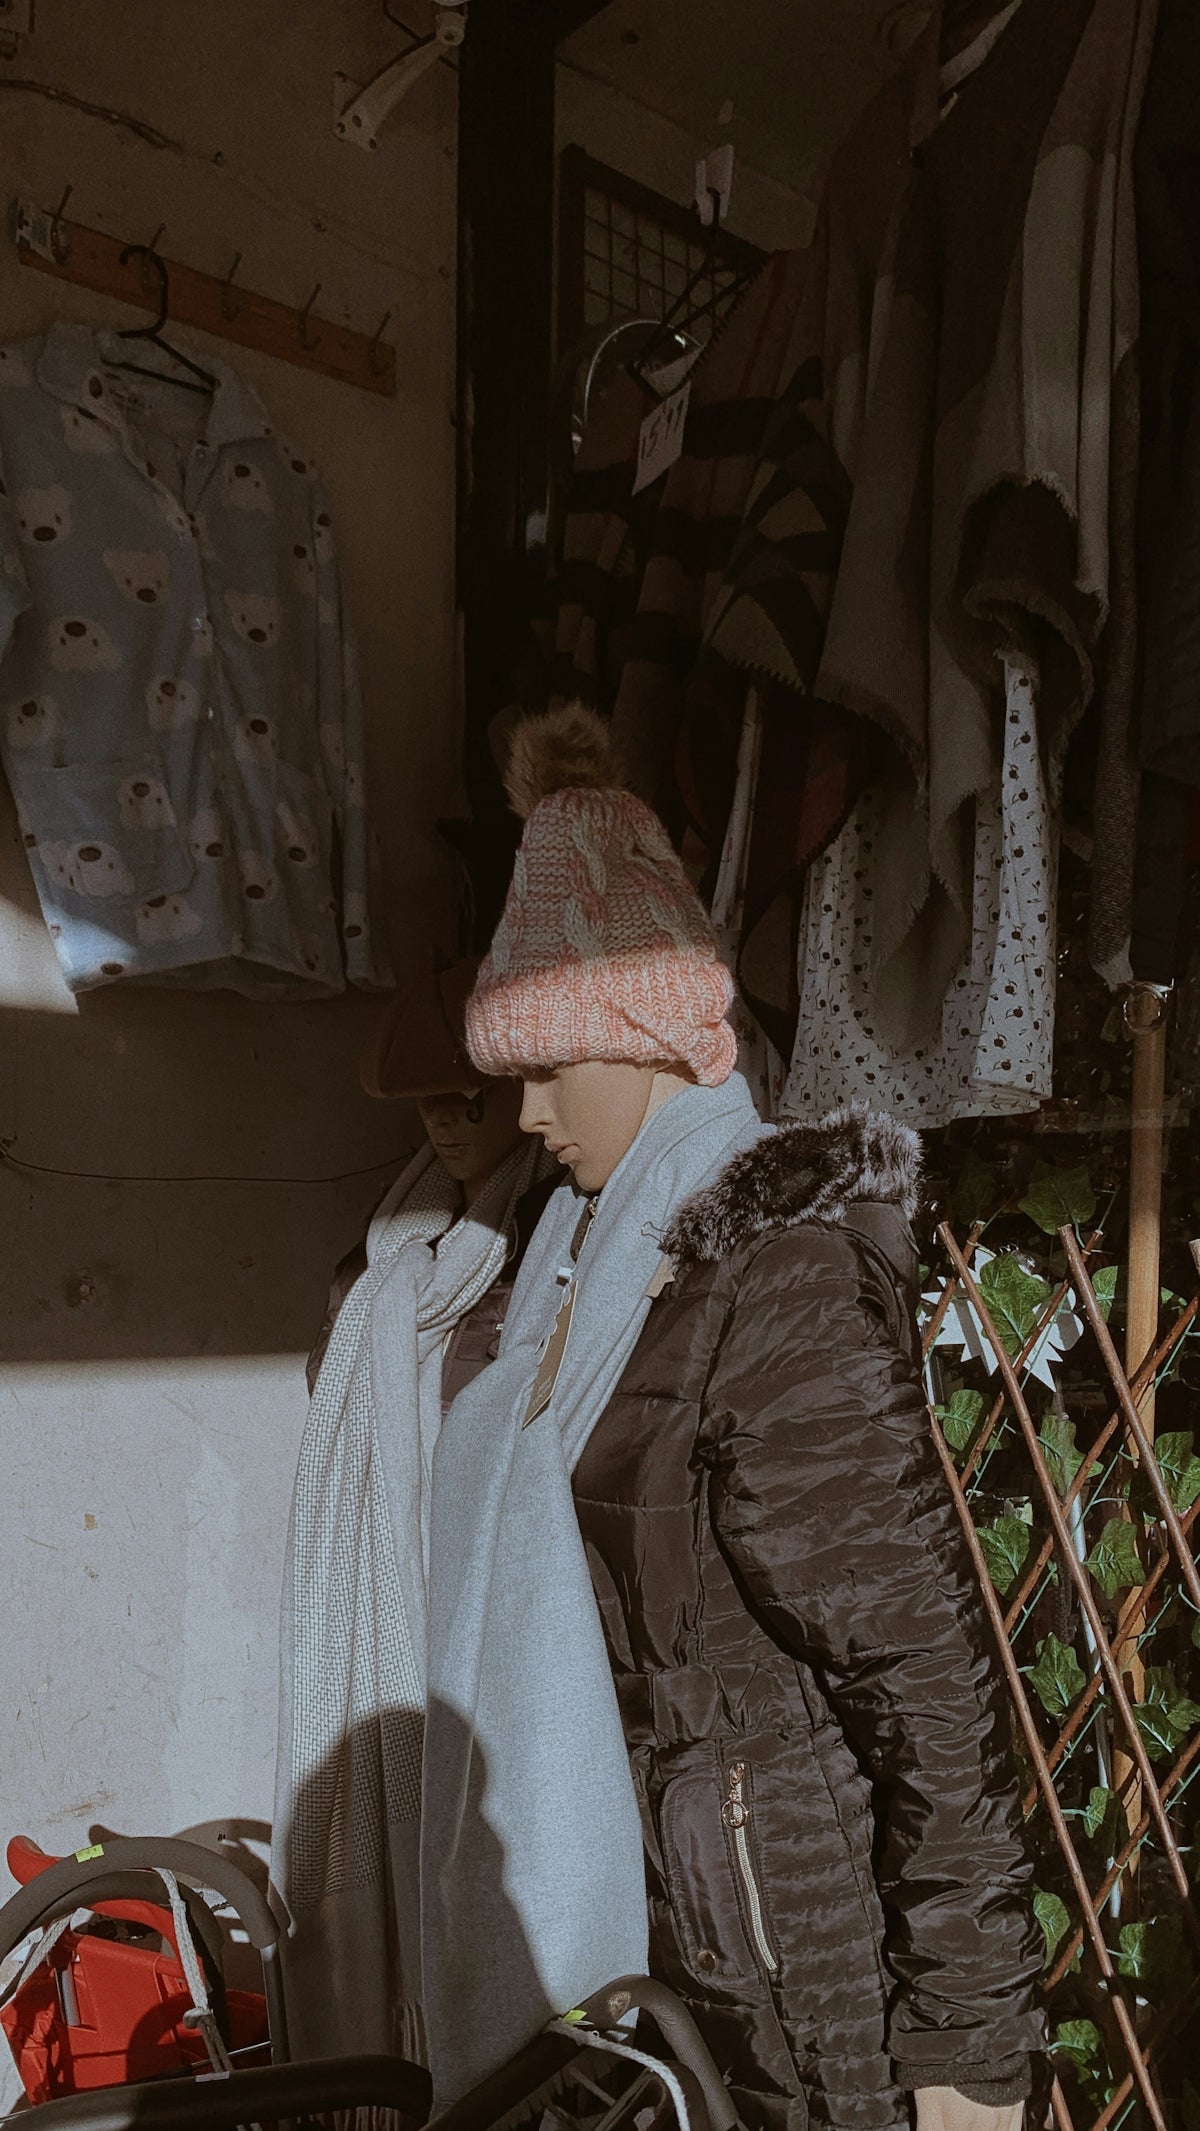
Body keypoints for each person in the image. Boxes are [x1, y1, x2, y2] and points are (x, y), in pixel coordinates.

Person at [420, 705, 1042, 2129]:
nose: (522, 1114)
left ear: (638, 1039)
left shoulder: (776, 1281)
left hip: (803, 1992)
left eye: (544, 1063)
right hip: (659, 1984)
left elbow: (926, 1684)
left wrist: (970, 2039)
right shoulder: (581, 1278)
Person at [273, 957, 554, 2065]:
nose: (443, 1120)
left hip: (495, 1611)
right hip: (397, 1609)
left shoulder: (547, 1250)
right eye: (426, 1100)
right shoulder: (389, 1257)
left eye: (465, 1096)